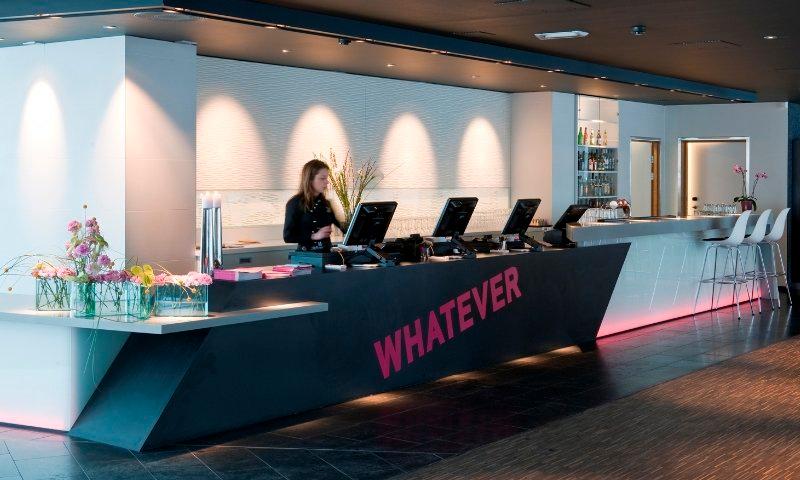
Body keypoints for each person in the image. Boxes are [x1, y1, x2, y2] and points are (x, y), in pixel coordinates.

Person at [283, 159, 343, 252]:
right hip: (306, 256)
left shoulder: (326, 203)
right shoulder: (295, 203)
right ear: (310, 179)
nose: (327, 182)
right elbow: (288, 237)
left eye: (327, 178)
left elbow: (342, 226)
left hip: (327, 254)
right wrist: (314, 236)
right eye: (322, 178)